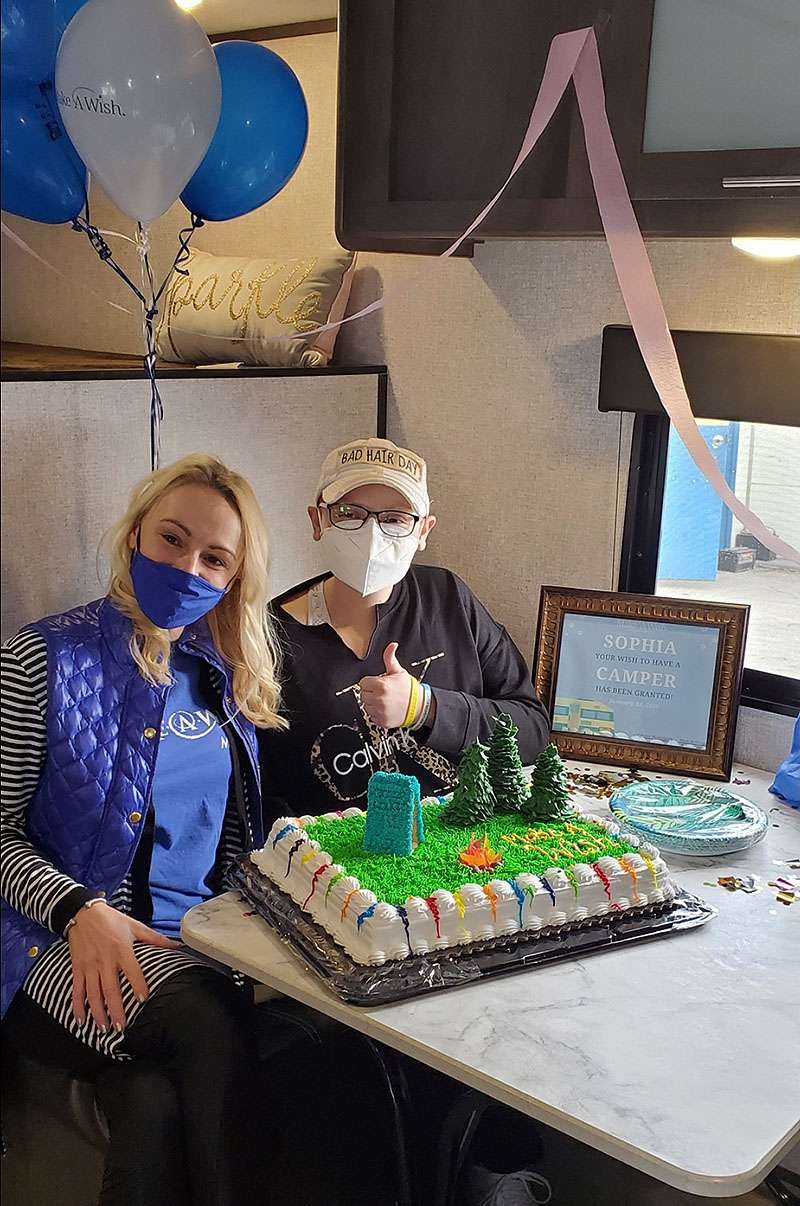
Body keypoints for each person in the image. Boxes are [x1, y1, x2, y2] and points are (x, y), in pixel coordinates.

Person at [1, 453, 286, 1206]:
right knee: (205, 1022)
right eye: (171, 539)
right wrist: (77, 909)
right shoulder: (42, 657)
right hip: (49, 942)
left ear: (233, 579)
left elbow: (234, 851)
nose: (188, 565)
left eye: (214, 558)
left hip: (197, 945)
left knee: (153, 1105)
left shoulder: (220, 675)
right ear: (134, 538)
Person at [260, 437, 550, 819]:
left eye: (396, 518)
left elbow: (531, 729)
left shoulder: (449, 600)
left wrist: (425, 706)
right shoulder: (270, 636)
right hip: (335, 866)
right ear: (318, 520)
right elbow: (262, 792)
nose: (372, 533)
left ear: (424, 530)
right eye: (349, 512)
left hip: (468, 852)